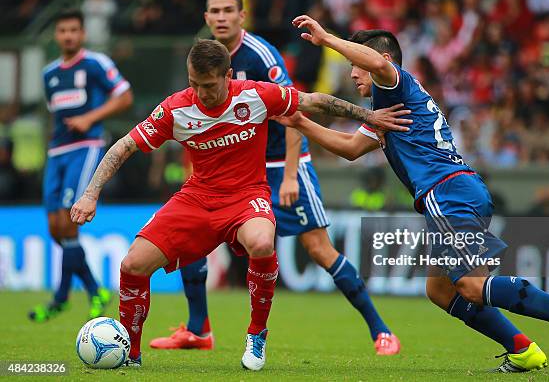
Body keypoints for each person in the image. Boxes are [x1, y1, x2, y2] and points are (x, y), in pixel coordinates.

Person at [274, 15, 549, 372]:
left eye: (356, 65)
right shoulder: (388, 110)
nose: (353, 73)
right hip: (455, 191)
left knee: (472, 287)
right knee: (441, 290)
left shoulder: (394, 83)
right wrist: (301, 122)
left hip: (448, 192)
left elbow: (378, 63)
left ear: (381, 62)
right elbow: (350, 148)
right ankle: (522, 349)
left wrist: (328, 39)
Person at [70, 38, 409, 370]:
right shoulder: (176, 108)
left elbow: (313, 101)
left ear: (228, 75)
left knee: (262, 242)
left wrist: (369, 116)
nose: (201, 93)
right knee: (132, 265)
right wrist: (90, 193)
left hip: (248, 196)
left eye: (208, 85)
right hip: (197, 198)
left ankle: (256, 334)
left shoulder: (256, 95)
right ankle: (131, 352)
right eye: (194, 84)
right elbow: (123, 147)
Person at [149, 0, 400, 355]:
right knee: (193, 240)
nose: (220, 17)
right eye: (214, 11)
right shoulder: (205, 58)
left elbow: (292, 110)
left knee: (318, 248)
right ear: (206, 18)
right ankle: (198, 329)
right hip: (234, 169)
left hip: (281, 163)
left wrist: (289, 174)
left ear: (241, 16)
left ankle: (381, 331)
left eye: (227, 11)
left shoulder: (262, 55)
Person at [31, 9, 133, 322]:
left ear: (82, 34)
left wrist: (90, 118)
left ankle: (66, 296)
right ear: (56, 35)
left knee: (68, 220)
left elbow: (124, 96)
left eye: (74, 30)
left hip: (85, 147)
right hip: (57, 151)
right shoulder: (49, 72)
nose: (68, 36)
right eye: (62, 30)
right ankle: (86, 291)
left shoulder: (96, 63)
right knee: (54, 228)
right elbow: (55, 112)